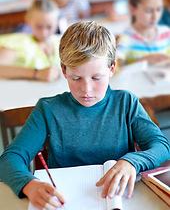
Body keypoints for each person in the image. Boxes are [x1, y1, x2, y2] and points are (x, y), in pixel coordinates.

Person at [0, 21, 169, 210]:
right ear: (64, 70)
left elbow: (161, 146)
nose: (86, 90)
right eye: (76, 78)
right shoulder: (48, 109)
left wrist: (132, 162)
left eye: (96, 78)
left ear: (111, 69)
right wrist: (28, 184)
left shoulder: (126, 103)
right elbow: (9, 158)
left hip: (121, 199)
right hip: (65, 201)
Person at [0, 0, 61, 82]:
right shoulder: (20, 42)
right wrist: (36, 73)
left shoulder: (61, 42)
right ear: (28, 20)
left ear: (57, 21)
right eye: (39, 27)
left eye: (49, 27)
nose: (44, 33)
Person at [116, 0, 170, 65]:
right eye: (148, 11)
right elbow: (115, 67)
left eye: (158, 9)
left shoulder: (166, 34)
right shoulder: (127, 37)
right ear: (133, 9)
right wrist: (144, 61)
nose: (155, 16)